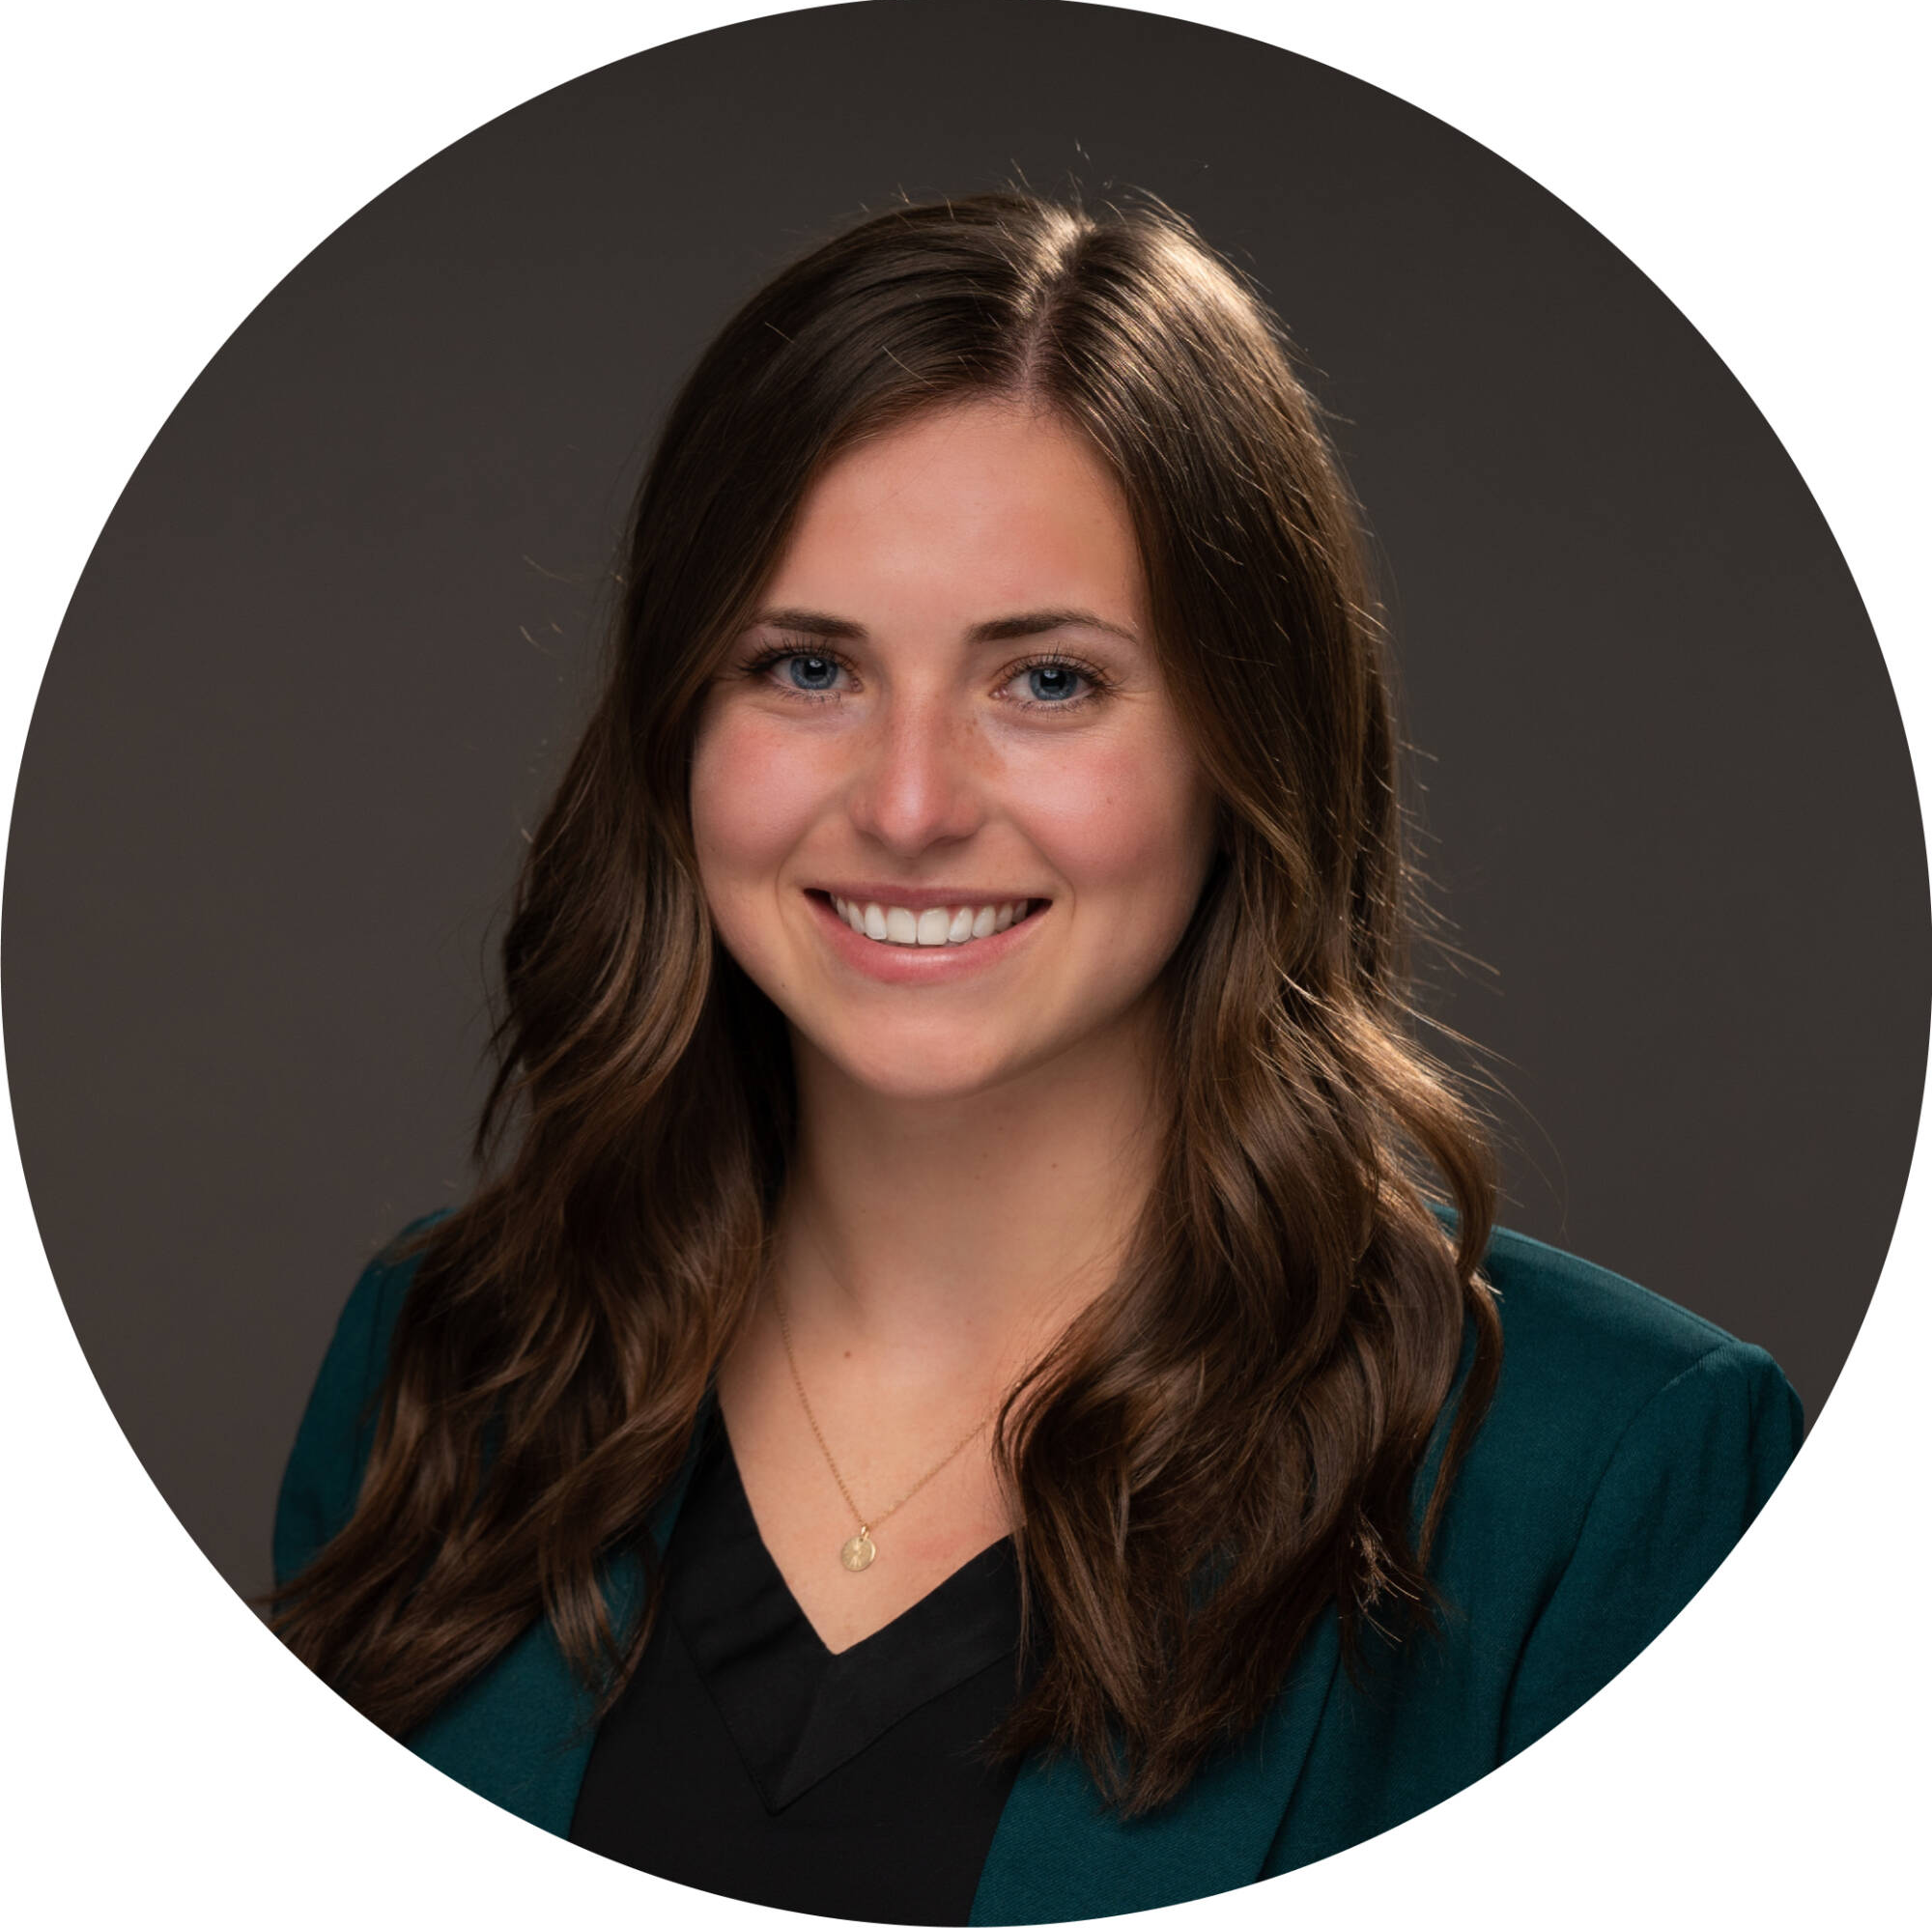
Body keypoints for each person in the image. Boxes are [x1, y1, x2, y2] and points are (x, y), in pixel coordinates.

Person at [270, 189, 1802, 1925]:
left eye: (1050, 683)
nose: (911, 805)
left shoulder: (1607, 1483)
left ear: (1249, 741)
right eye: (805, 666)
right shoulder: (448, 1367)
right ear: (676, 725)